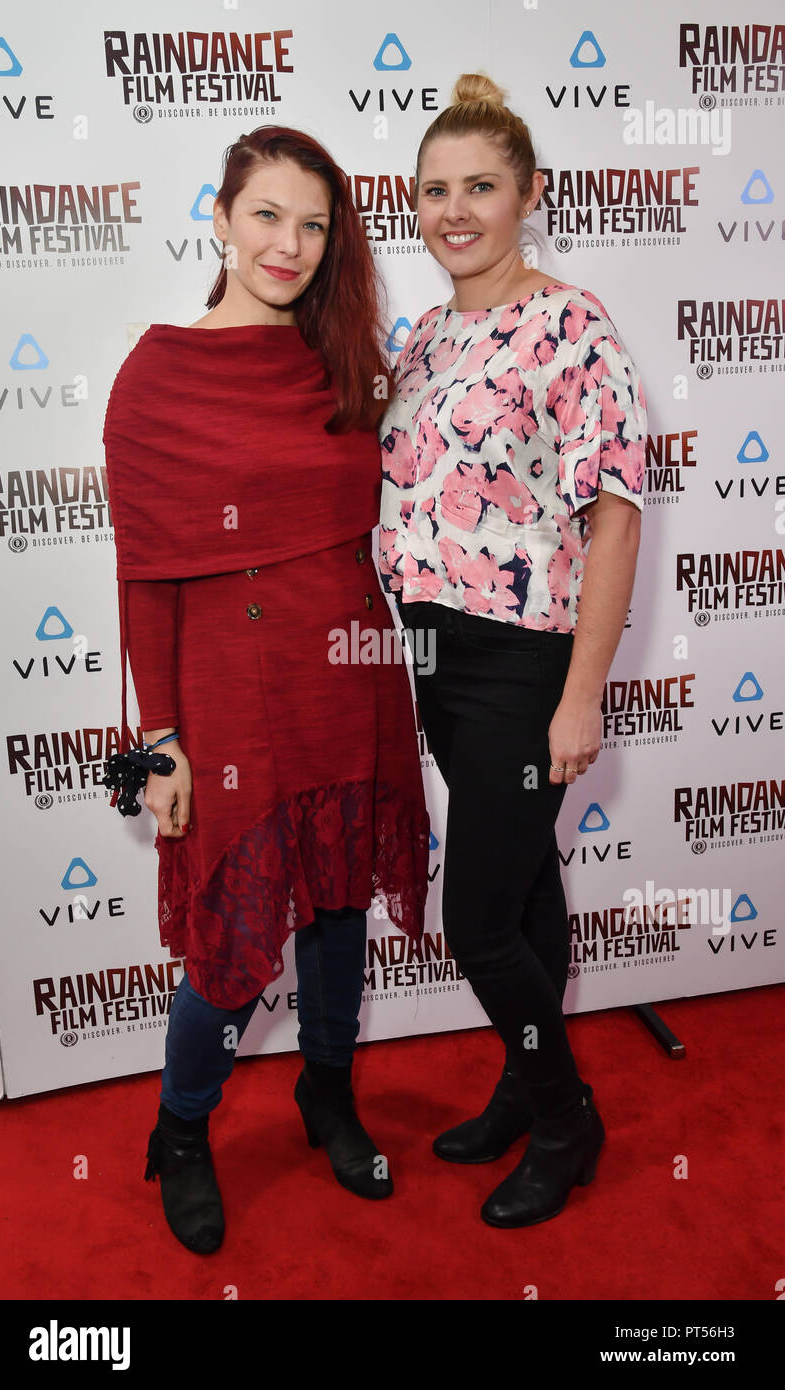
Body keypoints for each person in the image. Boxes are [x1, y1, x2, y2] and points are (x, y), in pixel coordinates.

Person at [102, 126, 430, 1255]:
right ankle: (182, 1129)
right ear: (222, 218)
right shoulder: (156, 376)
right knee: (235, 934)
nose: (288, 243)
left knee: (337, 901)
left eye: (312, 222)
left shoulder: (343, 358)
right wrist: (160, 742)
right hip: (229, 690)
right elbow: (145, 579)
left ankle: (325, 1092)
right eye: (266, 216)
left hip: (348, 665)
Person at [377, 73, 647, 1228]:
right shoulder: (423, 333)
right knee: (526, 878)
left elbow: (615, 511)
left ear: (527, 194)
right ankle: (519, 1086)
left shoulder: (572, 321)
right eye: (434, 189)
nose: (453, 209)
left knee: (477, 918)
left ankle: (560, 1116)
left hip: (524, 661)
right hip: (434, 657)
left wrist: (581, 693)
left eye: (479, 186)